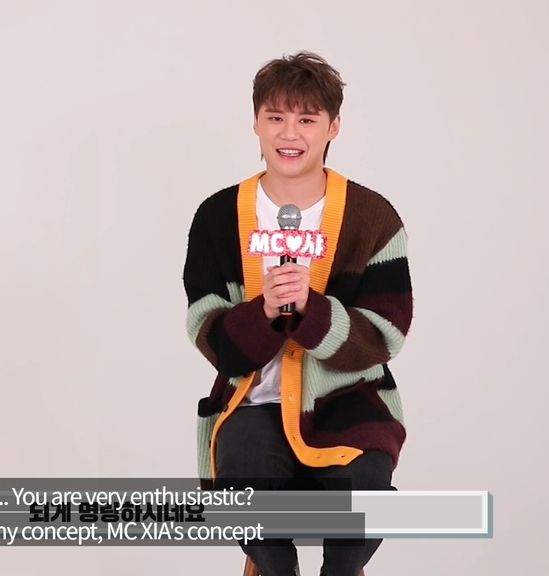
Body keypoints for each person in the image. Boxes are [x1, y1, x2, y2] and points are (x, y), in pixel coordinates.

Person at [183, 51, 412, 576]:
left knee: (367, 502)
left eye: (307, 120)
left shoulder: (372, 217)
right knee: (244, 497)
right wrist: (264, 311)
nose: (290, 134)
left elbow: (386, 333)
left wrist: (313, 309)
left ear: (333, 127)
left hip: (351, 402)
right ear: (256, 123)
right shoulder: (218, 216)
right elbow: (207, 330)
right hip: (250, 403)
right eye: (276, 117)